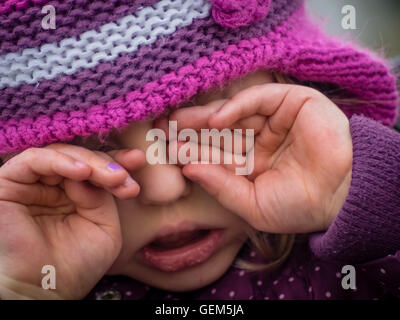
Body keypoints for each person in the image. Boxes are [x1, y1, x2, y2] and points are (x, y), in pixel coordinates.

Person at [0, 0, 399, 300]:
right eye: (90, 152)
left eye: (205, 126)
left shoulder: (363, 258)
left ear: (298, 86)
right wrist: (25, 289)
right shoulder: (26, 278)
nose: (165, 189)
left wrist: (357, 190)